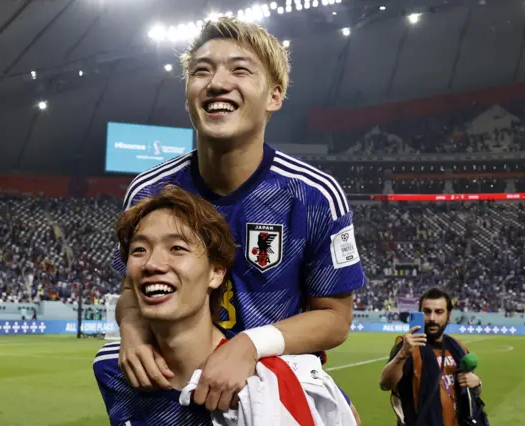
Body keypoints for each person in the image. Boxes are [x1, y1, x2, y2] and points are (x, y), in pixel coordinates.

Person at [114, 17, 367, 416]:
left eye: (240, 69)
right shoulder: (149, 192)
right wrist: (130, 330)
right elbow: (133, 290)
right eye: (202, 71)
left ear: (275, 96)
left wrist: (248, 346)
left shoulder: (314, 195)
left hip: (275, 401)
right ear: (187, 96)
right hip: (174, 398)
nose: (216, 83)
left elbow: (335, 318)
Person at [95, 185, 356, 425]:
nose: (152, 264)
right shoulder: (110, 368)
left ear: (216, 273)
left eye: (177, 248)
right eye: (139, 250)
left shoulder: (267, 389)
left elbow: (337, 317)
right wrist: (130, 328)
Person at [379, 288, 485, 426]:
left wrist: (477, 383)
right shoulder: (407, 346)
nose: (432, 318)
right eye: (427, 312)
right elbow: (385, 384)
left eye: (439, 312)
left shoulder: (458, 347)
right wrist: (403, 354)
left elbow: (473, 390)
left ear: (449, 315)